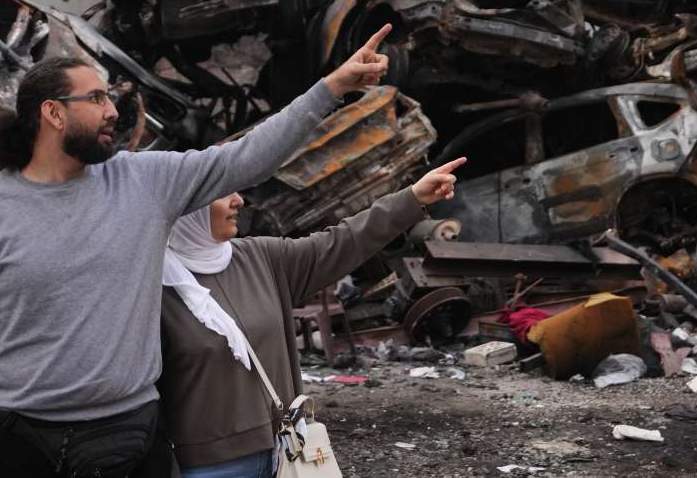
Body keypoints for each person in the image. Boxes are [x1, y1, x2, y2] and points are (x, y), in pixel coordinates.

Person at [0, 26, 394, 478]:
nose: (112, 111)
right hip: (24, 443)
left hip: (128, 435)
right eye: (96, 98)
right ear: (53, 113)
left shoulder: (142, 181)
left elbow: (247, 158)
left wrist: (332, 88)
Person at [159, 156, 467, 477]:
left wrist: (412, 198)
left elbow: (343, 241)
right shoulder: (154, 285)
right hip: (207, 468)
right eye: (223, 193)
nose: (239, 201)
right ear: (187, 206)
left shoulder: (261, 258)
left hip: (286, 453)